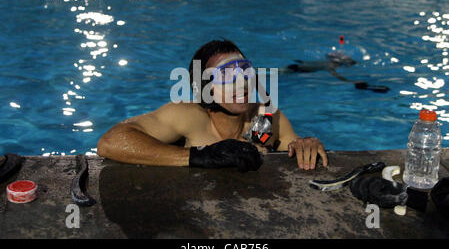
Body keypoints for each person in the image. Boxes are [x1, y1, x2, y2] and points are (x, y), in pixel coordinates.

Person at [97, 40, 328, 172]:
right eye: (227, 74)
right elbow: (111, 142)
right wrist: (200, 156)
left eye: (244, 69)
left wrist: (306, 144)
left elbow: (294, 146)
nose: (242, 81)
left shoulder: (263, 118)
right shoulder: (190, 117)